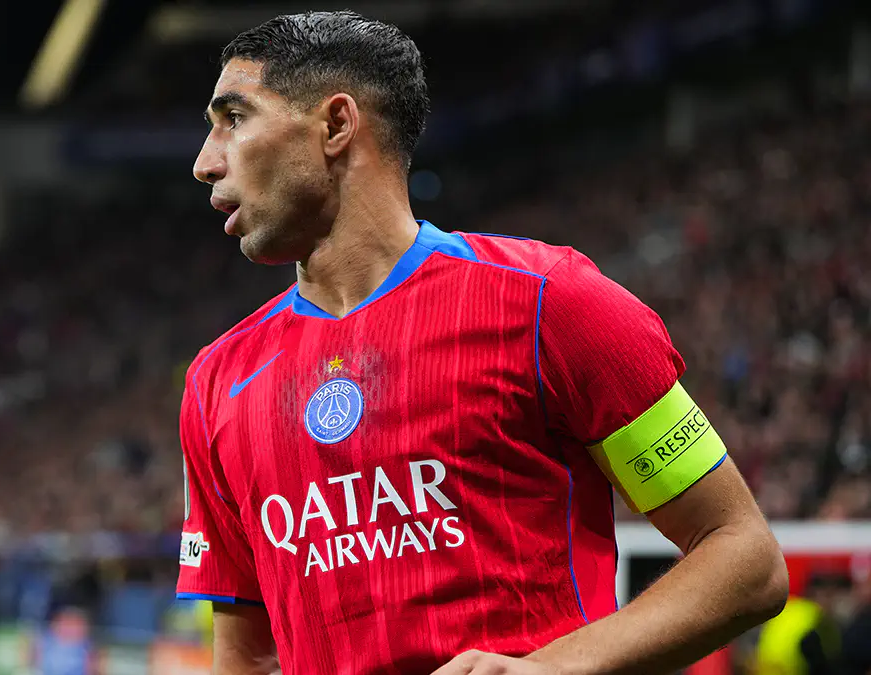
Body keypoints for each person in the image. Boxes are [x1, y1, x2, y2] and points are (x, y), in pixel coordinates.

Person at [176, 10, 789, 675]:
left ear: (336, 124)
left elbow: (745, 556)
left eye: (234, 118)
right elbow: (247, 658)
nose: (205, 163)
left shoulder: (551, 304)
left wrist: (551, 669)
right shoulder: (217, 382)